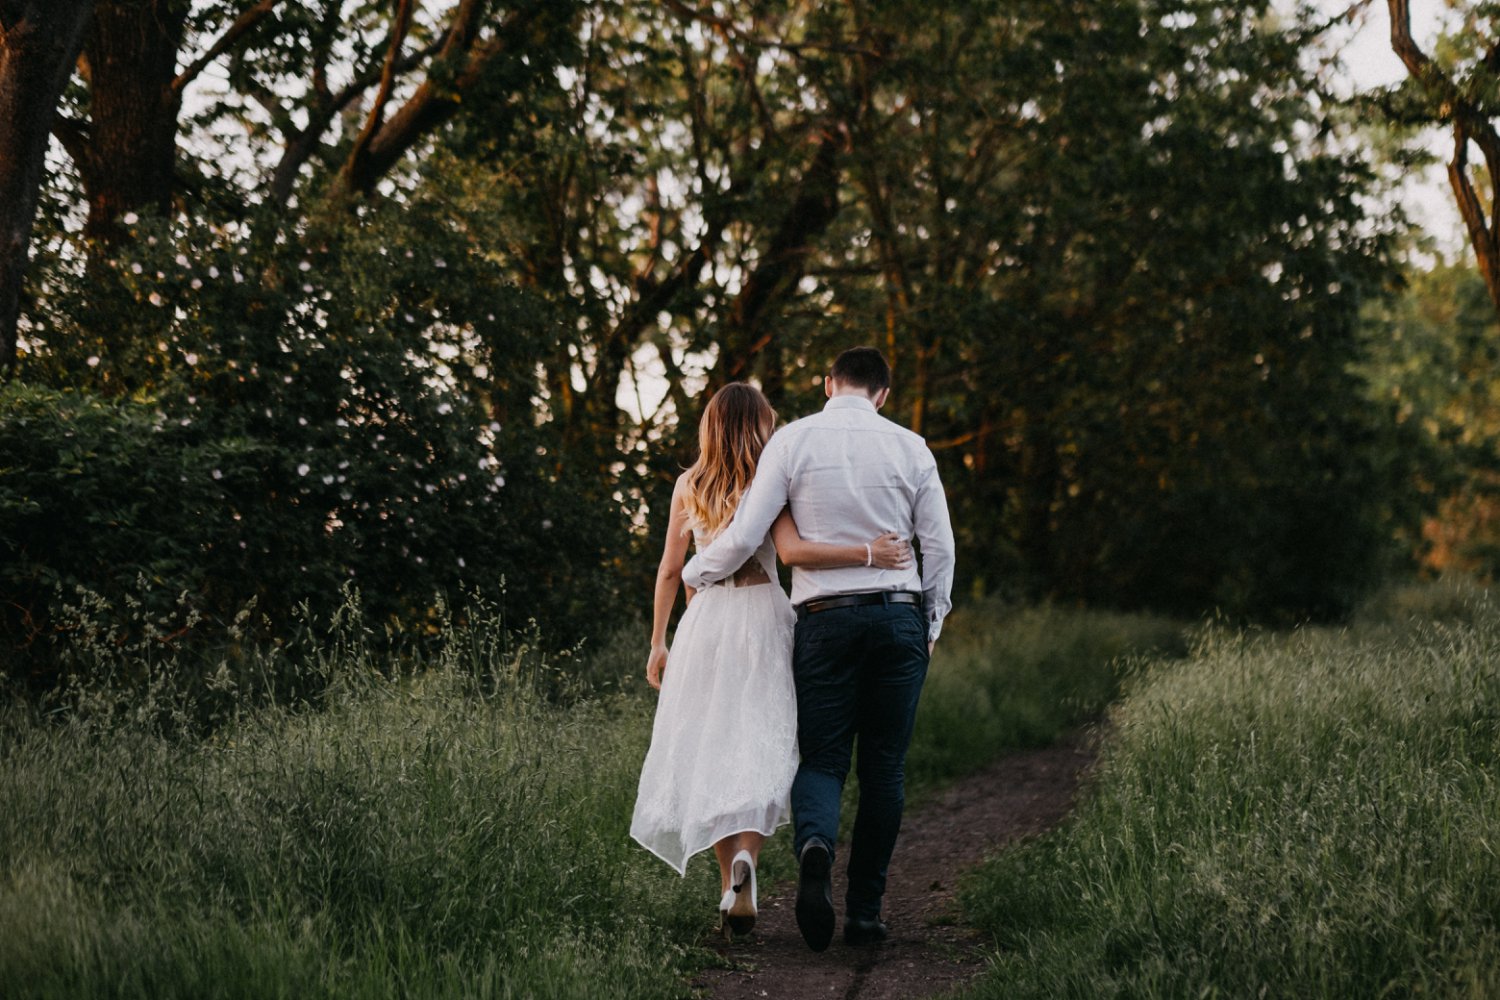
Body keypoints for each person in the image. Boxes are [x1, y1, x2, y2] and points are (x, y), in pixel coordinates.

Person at [681, 347, 955, 951]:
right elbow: (939, 547)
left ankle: (814, 849)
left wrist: (698, 573)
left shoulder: (792, 441)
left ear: (829, 383)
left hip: (825, 620)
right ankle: (863, 913)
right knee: (884, 766)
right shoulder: (912, 447)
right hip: (898, 618)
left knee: (823, 758)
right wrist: (930, 622)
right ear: (882, 393)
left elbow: (747, 534)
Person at [629, 381, 911, 939]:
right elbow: (791, 550)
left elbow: (668, 568)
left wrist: (658, 640)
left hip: (707, 621)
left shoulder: (688, 485)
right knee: (765, 740)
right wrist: (869, 553)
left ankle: (730, 880)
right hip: (763, 616)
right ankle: (749, 859)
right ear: (760, 425)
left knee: (709, 746)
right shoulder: (769, 481)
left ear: (710, 426)